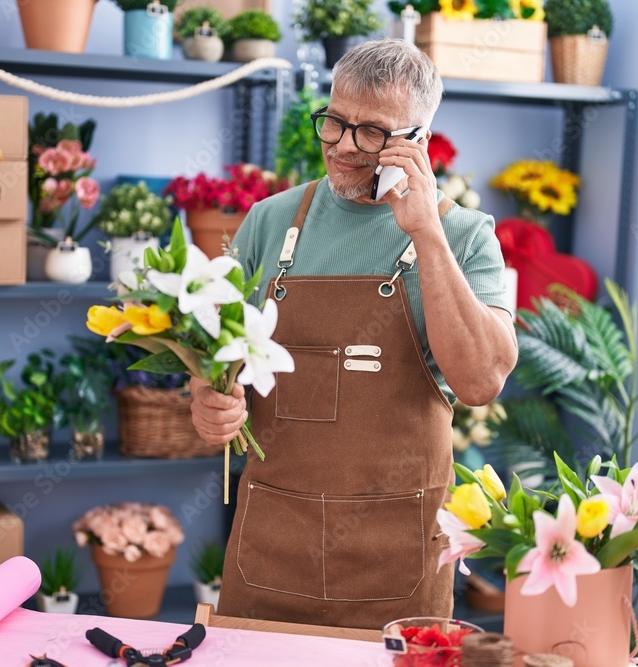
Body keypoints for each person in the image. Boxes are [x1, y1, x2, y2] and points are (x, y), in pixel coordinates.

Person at [188, 38, 518, 630]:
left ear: (417, 142)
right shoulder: (270, 221)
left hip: (399, 557)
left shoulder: (465, 236)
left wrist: (425, 233)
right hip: (273, 543)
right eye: (335, 122)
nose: (342, 145)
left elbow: (481, 381)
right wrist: (208, 400)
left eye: (371, 132)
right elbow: (213, 356)